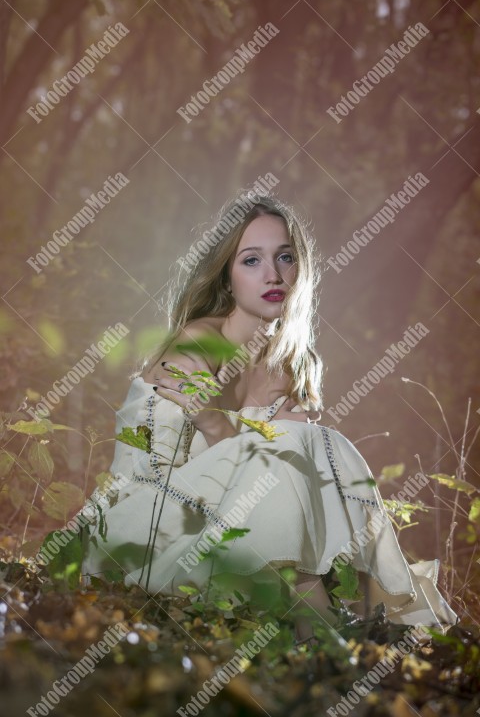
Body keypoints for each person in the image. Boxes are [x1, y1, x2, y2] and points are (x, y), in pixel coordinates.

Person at [80, 191, 457, 640]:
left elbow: (289, 481)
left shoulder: (292, 363)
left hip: (239, 535)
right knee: (299, 443)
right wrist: (222, 426)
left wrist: (232, 429)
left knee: (320, 443)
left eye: (284, 257)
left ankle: (327, 626)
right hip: (147, 528)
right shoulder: (197, 344)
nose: (274, 274)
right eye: (251, 261)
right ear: (227, 277)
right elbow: (151, 476)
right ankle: (324, 635)